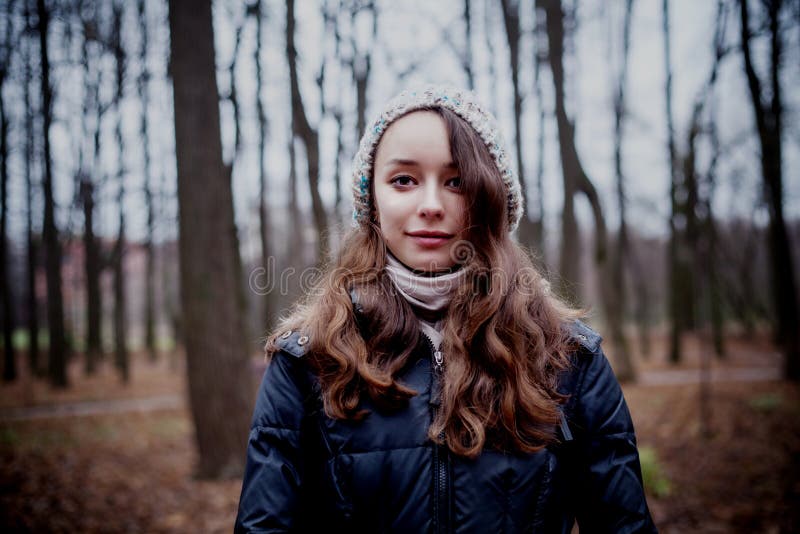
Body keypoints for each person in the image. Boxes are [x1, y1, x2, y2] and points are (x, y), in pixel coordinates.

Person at [235, 85, 657, 533]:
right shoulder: (307, 363)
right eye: (404, 180)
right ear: (372, 201)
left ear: (491, 199)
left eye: (456, 182)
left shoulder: (570, 359)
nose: (431, 206)